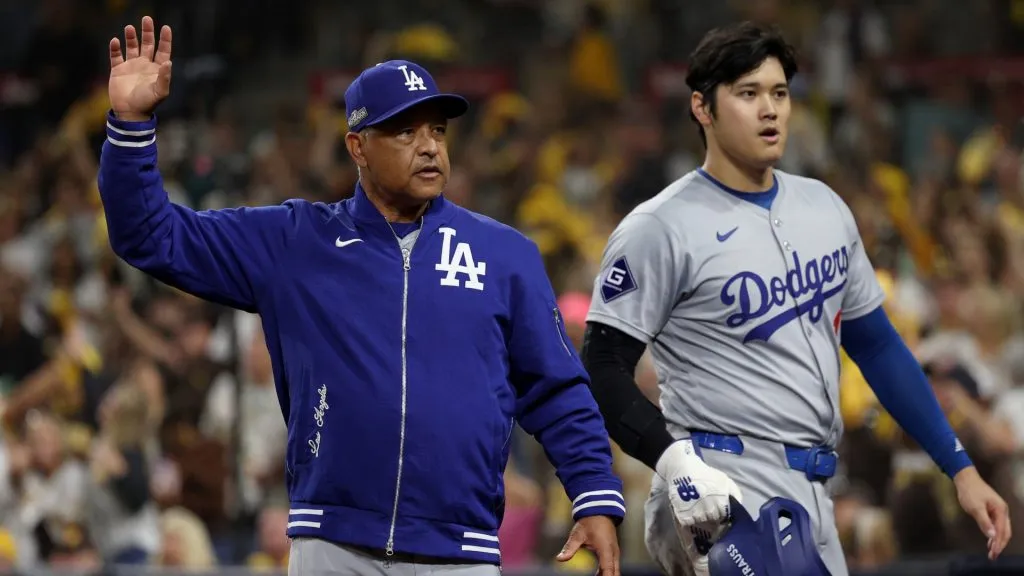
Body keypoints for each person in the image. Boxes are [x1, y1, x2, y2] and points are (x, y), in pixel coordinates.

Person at [99, 17, 624, 576]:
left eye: (438, 131)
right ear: (358, 146)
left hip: (460, 548)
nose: (429, 148)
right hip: (333, 542)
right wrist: (131, 125)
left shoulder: (504, 254)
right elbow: (151, 236)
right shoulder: (297, 241)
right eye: (405, 132)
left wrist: (592, 490)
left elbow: (557, 389)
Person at [580, 21, 1011, 576]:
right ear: (702, 108)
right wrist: (673, 458)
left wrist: (959, 467)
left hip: (812, 489)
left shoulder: (824, 207)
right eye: (748, 93)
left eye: (779, 93)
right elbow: (602, 363)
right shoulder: (660, 226)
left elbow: (877, 345)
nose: (770, 110)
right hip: (718, 483)